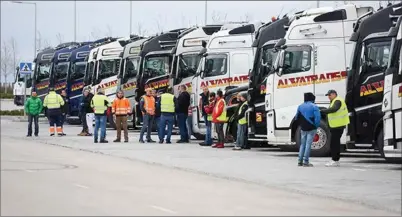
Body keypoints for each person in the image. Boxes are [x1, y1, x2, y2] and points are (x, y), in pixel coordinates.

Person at [320, 89, 350, 167]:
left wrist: (322, 111)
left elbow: (334, 109)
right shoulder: (335, 101)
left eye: (329, 95)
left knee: (334, 144)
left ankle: (335, 160)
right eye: (328, 96)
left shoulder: (337, 101)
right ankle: (335, 160)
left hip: (338, 126)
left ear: (334, 94)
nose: (328, 97)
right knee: (334, 143)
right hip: (336, 126)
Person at [294, 92, 321, 167]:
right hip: (312, 127)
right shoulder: (314, 106)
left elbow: (296, 117)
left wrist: (301, 124)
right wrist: (316, 125)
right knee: (308, 145)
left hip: (303, 128)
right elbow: (317, 118)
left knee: (302, 144)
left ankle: (300, 161)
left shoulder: (300, 106)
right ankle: (306, 162)